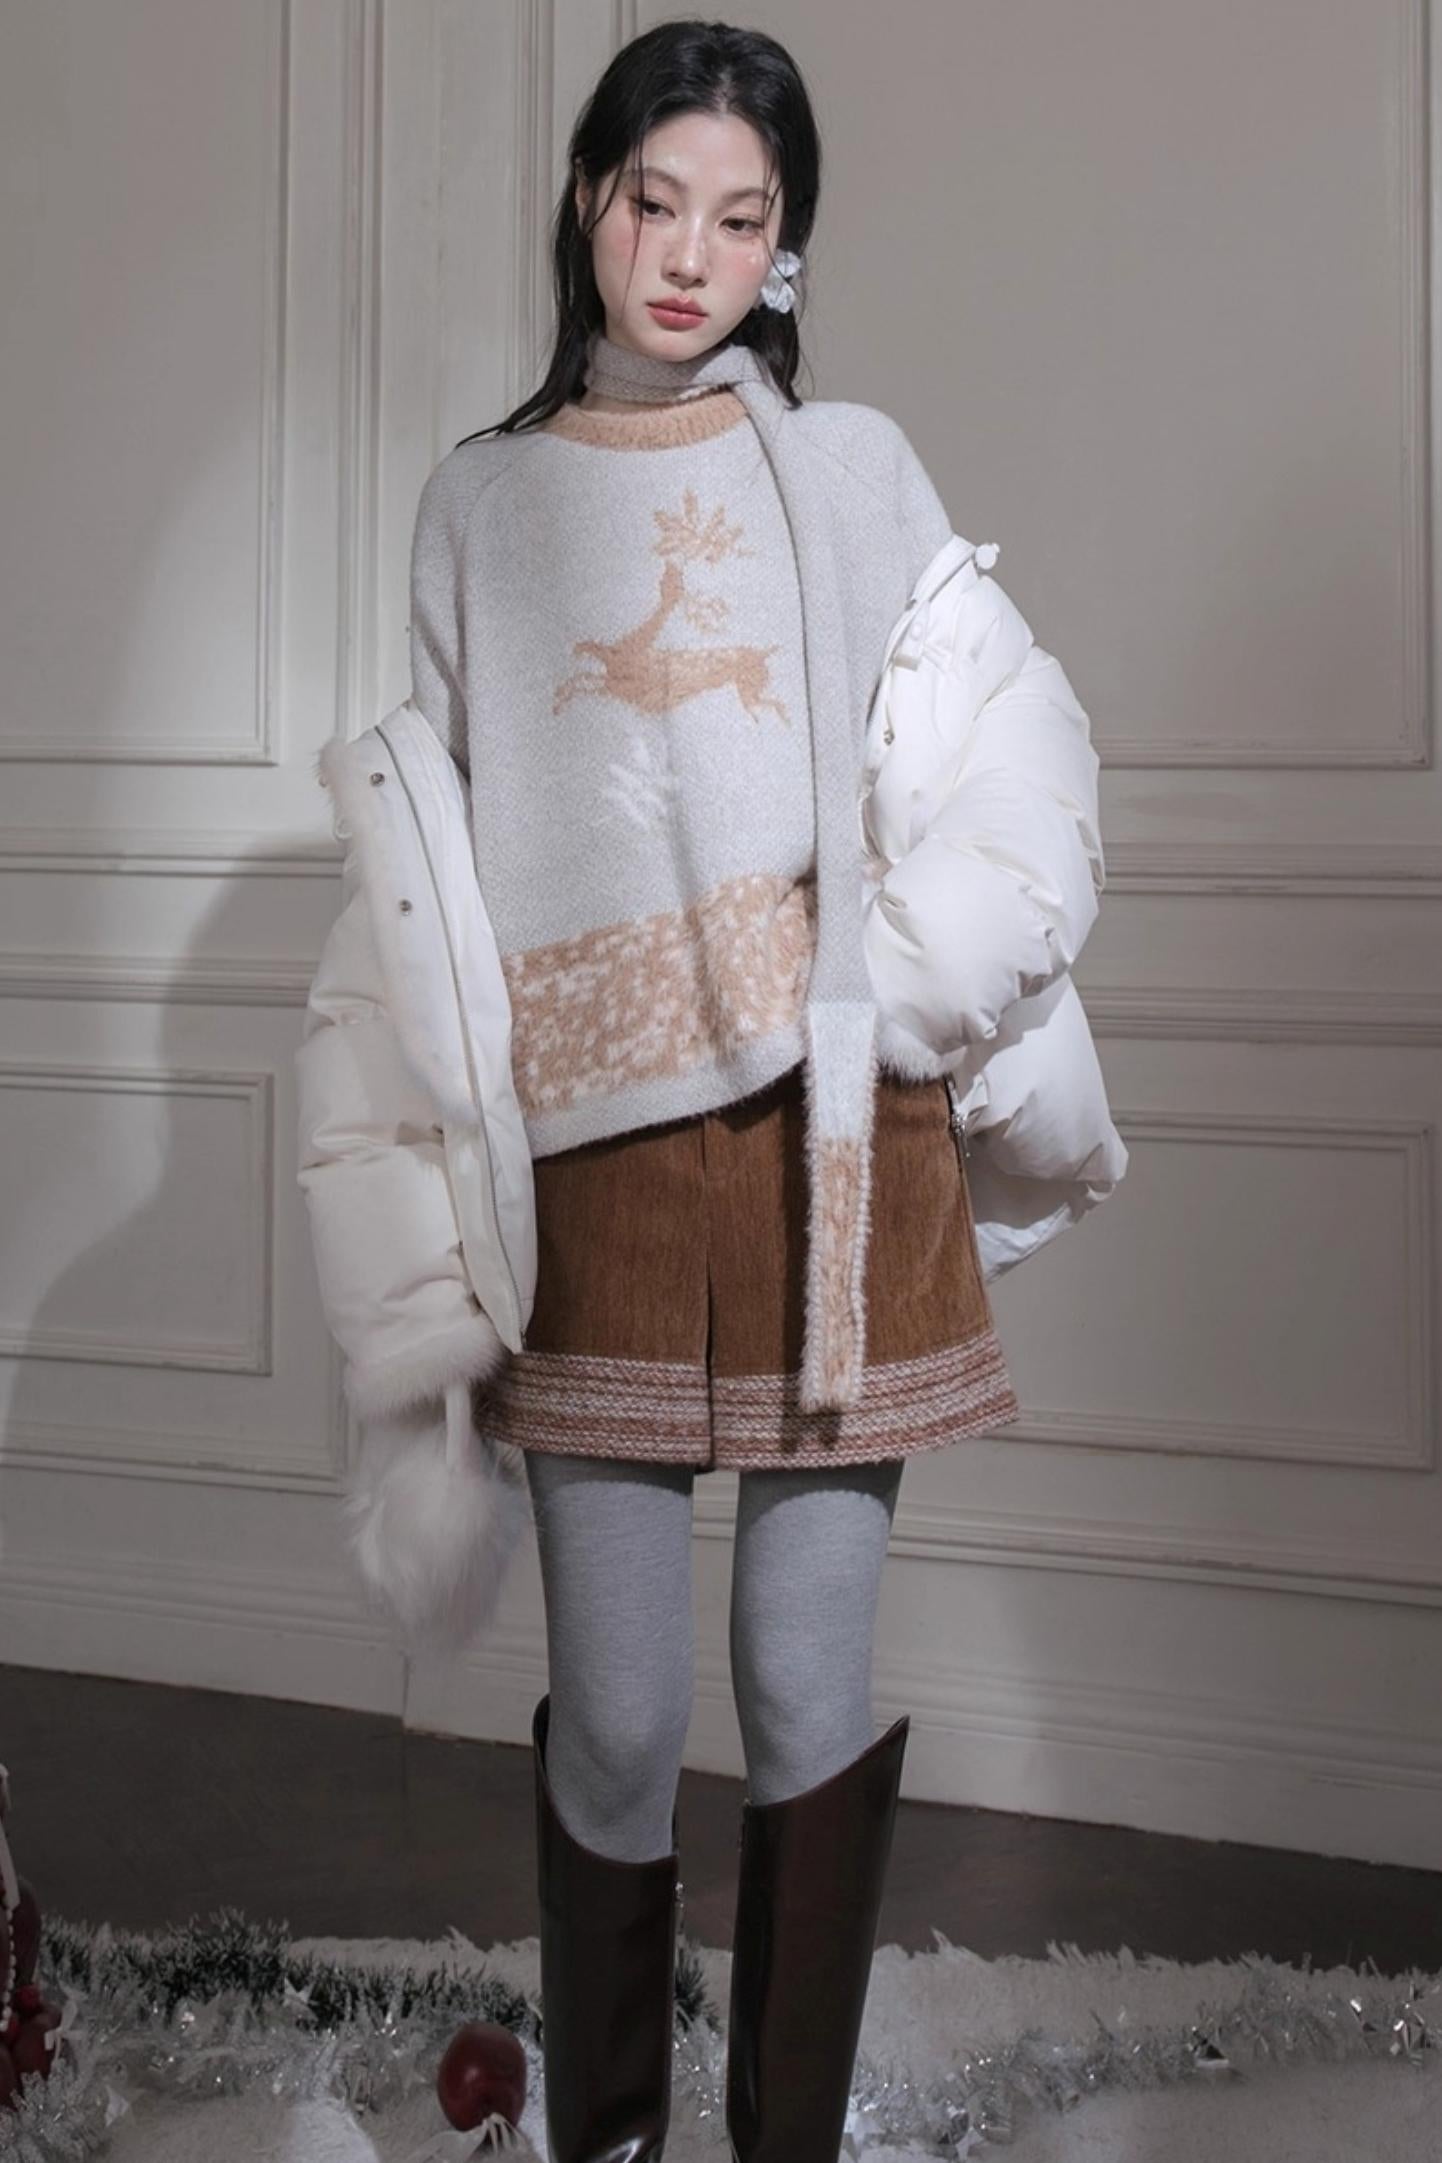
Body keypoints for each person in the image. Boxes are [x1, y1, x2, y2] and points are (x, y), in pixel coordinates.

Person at [305, 18, 1120, 2161]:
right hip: (593, 1176)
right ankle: (609, 2138)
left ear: (785, 251)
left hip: (838, 1158)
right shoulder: (478, 502)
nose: (687, 254)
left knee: (800, 1687)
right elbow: (441, 878)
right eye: (654, 199)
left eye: (739, 219)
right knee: (621, 1716)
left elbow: (999, 759)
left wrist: (900, 978)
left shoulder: (851, 469)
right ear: (588, 199)